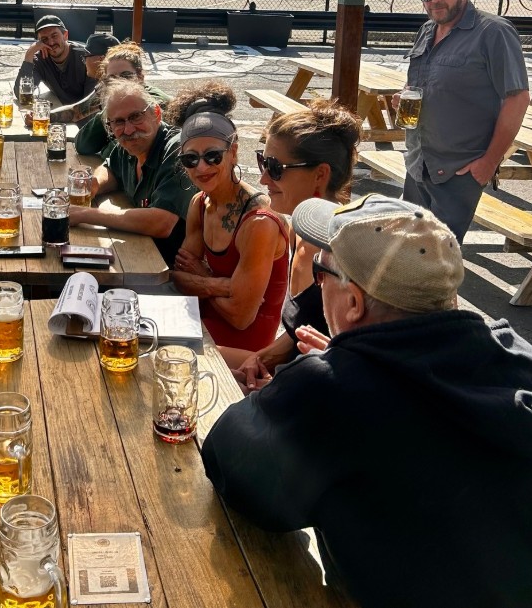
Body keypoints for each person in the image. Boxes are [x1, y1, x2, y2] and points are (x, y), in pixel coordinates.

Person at [201, 193, 532, 608]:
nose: (317, 284)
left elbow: (230, 466)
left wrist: (299, 383)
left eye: (320, 272)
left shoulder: (335, 389)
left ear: (354, 303)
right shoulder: (516, 353)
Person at [395, 0, 529, 242]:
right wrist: (404, 97)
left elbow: (518, 99)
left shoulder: (493, 32)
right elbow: (424, 82)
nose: (435, 0)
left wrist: (489, 163)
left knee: (435, 260)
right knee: (407, 255)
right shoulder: (427, 30)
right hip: (419, 163)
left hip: (458, 172)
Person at [232, 101, 361, 390]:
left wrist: (275, 386)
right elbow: (300, 331)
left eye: (275, 168)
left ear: (320, 175)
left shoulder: (342, 250)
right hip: (294, 376)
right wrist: (260, 359)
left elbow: (353, 367)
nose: (263, 178)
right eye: (263, 162)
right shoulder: (298, 229)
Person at [169, 83, 289, 354]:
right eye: (190, 159)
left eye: (213, 156)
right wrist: (221, 285)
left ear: (233, 152)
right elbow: (180, 277)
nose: (202, 167)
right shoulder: (200, 204)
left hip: (245, 348)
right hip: (201, 323)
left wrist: (202, 277)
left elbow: (240, 316)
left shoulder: (259, 222)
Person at [68, 78, 196, 268]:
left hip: (172, 270)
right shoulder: (131, 146)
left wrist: (84, 214)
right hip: (140, 254)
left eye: (136, 117)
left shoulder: (178, 149)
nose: (128, 129)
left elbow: (161, 223)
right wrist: (95, 183)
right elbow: (111, 169)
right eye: (118, 122)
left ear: (156, 113)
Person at [75, 40, 171, 158]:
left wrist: (105, 148)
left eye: (125, 76)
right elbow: (83, 145)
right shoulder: (115, 102)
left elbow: (127, 153)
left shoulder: (153, 102)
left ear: (140, 76)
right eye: (111, 79)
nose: (118, 83)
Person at [36, 32, 120, 126]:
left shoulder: (117, 87)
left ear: (101, 59)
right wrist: (42, 116)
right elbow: (76, 112)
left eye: (85, 56)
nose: (84, 61)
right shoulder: (107, 85)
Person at [14, 14, 95, 105]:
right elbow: (21, 95)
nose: (51, 43)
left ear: (65, 35)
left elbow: (91, 101)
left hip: (86, 111)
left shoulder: (86, 57)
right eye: (44, 39)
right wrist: (29, 53)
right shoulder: (40, 60)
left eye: (54, 36)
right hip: (59, 108)